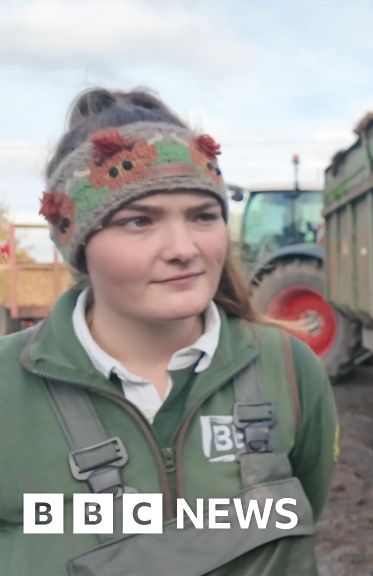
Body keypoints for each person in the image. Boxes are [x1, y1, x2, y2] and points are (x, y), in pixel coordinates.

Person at [0, 88, 339, 575]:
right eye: (139, 221)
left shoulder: (287, 367)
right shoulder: (8, 387)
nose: (183, 248)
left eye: (203, 216)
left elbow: (307, 501)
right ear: (77, 244)